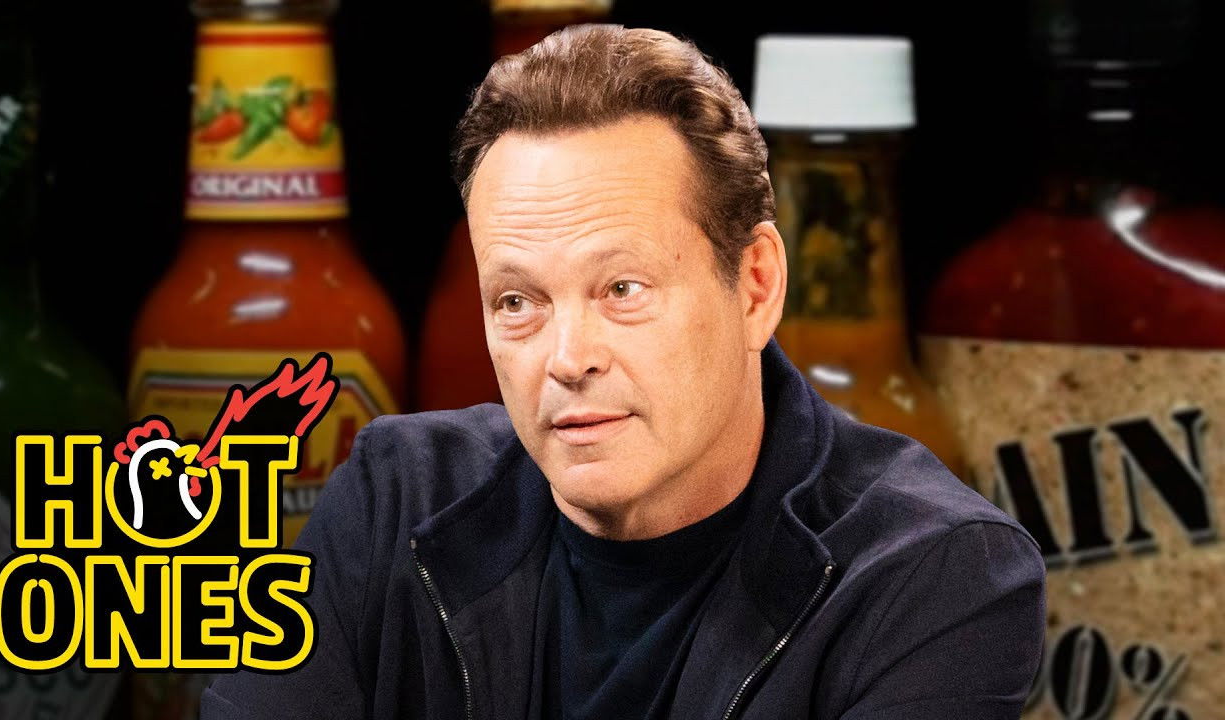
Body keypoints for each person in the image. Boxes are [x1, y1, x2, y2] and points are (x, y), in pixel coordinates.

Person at [202, 24, 1046, 720]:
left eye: (623, 289)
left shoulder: (935, 577)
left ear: (755, 286)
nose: (568, 360)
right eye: (518, 302)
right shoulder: (389, 503)